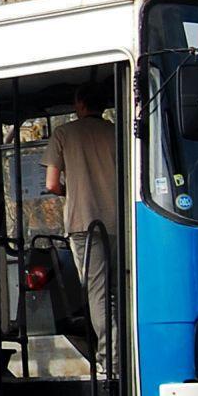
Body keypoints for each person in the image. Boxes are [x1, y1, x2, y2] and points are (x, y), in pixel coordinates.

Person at [44, 84, 119, 369]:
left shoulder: (64, 133)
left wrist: (72, 190)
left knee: (98, 292)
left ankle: (109, 360)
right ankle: (125, 352)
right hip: (119, 222)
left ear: (79, 104)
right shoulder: (116, 132)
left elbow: (52, 184)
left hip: (83, 222)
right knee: (119, 290)